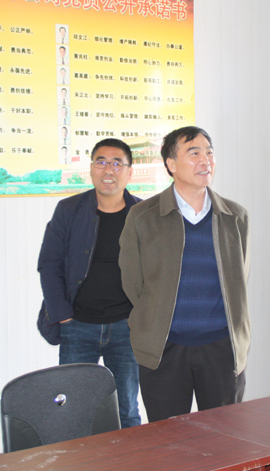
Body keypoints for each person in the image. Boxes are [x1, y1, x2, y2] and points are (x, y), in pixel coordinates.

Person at [119, 126, 251, 422]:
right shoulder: (143, 217)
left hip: (222, 349)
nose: (205, 160)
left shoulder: (235, 217)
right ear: (171, 164)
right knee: (167, 440)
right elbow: (133, 284)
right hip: (164, 350)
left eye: (209, 153)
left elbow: (238, 278)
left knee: (225, 437)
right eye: (194, 153)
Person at [38, 138, 142, 428]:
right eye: (101, 162)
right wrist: (62, 314)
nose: (108, 169)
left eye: (117, 163)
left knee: (127, 410)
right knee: (74, 412)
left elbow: (157, 271)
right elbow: (49, 264)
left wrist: (143, 318)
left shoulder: (142, 214)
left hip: (126, 328)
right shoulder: (69, 210)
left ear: (129, 172)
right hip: (78, 325)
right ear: (91, 168)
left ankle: (128, 460)